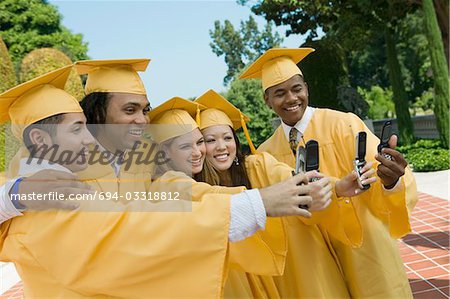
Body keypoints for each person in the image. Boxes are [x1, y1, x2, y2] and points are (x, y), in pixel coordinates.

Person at [0, 65, 286, 298]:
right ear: (99, 112)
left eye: (145, 110)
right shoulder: (42, 184)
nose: (143, 120)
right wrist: (248, 207)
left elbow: (174, 189)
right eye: (130, 110)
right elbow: (123, 231)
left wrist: (240, 199)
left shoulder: (135, 159)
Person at [240, 47, 418, 298]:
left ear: (306, 88)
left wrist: (390, 182)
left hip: (364, 248)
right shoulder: (265, 152)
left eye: (297, 89)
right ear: (266, 100)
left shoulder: (344, 123)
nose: (291, 98)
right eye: (279, 93)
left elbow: (380, 175)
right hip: (315, 264)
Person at [194, 89, 378, 298]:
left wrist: (336, 187)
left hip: (289, 268)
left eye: (227, 137)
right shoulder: (198, 190)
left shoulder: (257, 166)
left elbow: (293, 179)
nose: (221, 147)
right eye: (210, 140)